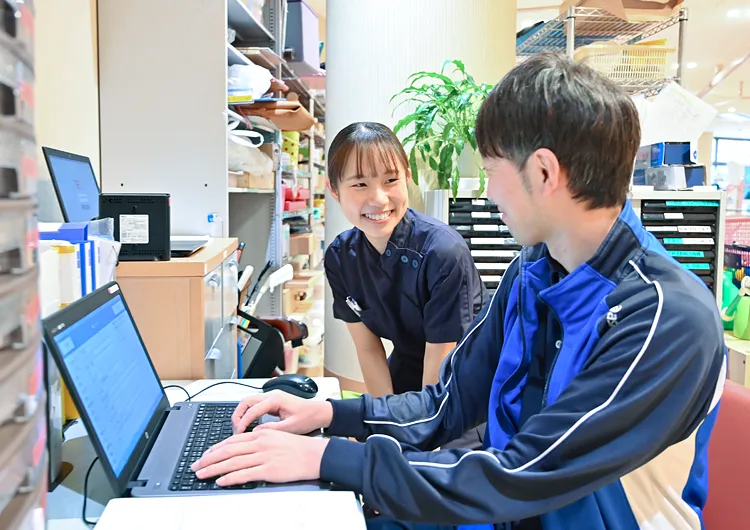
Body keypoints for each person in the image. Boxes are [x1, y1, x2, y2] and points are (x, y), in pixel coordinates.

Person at [191, 53, 726, 530]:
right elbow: (446, 403)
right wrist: (331, 417)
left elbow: (525, 472)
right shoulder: (533, 273)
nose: (490, 193)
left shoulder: (664, 317)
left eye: (493, 171)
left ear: (542, 172)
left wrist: (330, 459)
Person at [322, 121, 488, 448]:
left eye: (390, 180)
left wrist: (418, 439)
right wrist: (386, 426)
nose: (379, 199)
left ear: (407, 176)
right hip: (410, 364)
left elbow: (440, 368)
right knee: (379, 443)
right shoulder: (341, 257)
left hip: (465, 377)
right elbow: (368, 349)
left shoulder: (442, 252)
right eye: (359, 184)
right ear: (334, 189)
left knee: (437, 471)